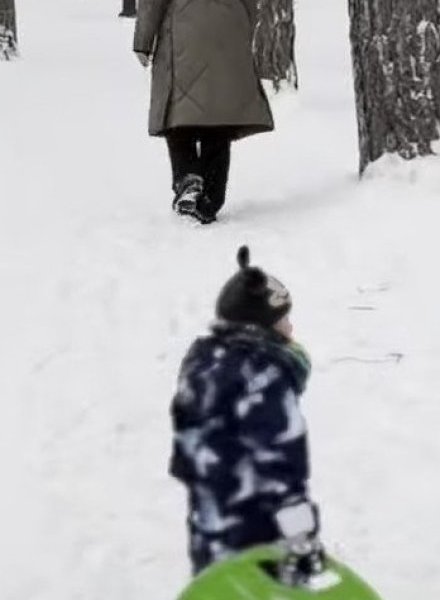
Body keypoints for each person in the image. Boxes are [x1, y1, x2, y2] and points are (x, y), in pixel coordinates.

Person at [170, 246, 325, 577]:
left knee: (220, 588)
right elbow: (282, 464)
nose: (291, 328)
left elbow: (188, 445)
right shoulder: (264, 378)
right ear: (261, 327)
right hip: (259, 529)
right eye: (283, 319)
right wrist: (300, 537)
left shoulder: (202, 361)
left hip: (209, 521)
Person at [133, 0, 273, 224]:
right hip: (229, 24)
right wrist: (242, 28)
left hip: (184, 27)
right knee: (218, 114)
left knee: (177, 111)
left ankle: (188, 177)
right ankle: (210, 199)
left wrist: (143, 41)